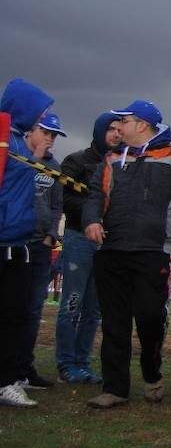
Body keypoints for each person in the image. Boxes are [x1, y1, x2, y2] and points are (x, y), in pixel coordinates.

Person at [83, 100, 171, 409]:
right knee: (114, 322)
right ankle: (115, 388)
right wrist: (92, 220)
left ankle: (152, 375)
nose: (118, 126)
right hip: (111, 250)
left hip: (154, 252)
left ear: (143, 125)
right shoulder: (110, 160)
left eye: (125, 121)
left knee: (149, 316)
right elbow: (95, 195)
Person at [0, 78, 55, 409]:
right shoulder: (5, 140)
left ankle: (7, 380)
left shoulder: (19, 143)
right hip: (3, 239)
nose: (42, 118)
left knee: (16, 314)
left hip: (19, 242)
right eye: (39, 112)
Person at [55, 111, 120, 384]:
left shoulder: (120, 163)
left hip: (104, 243)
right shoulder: (76, 161)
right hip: (78, 238)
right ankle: (65, 362)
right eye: (111, 129)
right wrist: (93, 213)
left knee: (93, 308)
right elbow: (62, 197)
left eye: (119, 129)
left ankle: (82, 363)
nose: (116, 134)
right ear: (99, 130)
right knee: (72, 302)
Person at [19, 112, 64, 390]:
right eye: (45, 131)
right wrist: (34, 156)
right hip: (15, 242)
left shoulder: (54, 166)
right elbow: (16, 188)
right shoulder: (14, 156)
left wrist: (51, 236)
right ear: (31, 130)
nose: (49, 138)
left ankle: (25, 366)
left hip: (40, 246)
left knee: (33, 310)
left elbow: (57, 205)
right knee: (12, 308)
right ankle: (9, 368)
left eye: (54, 134)